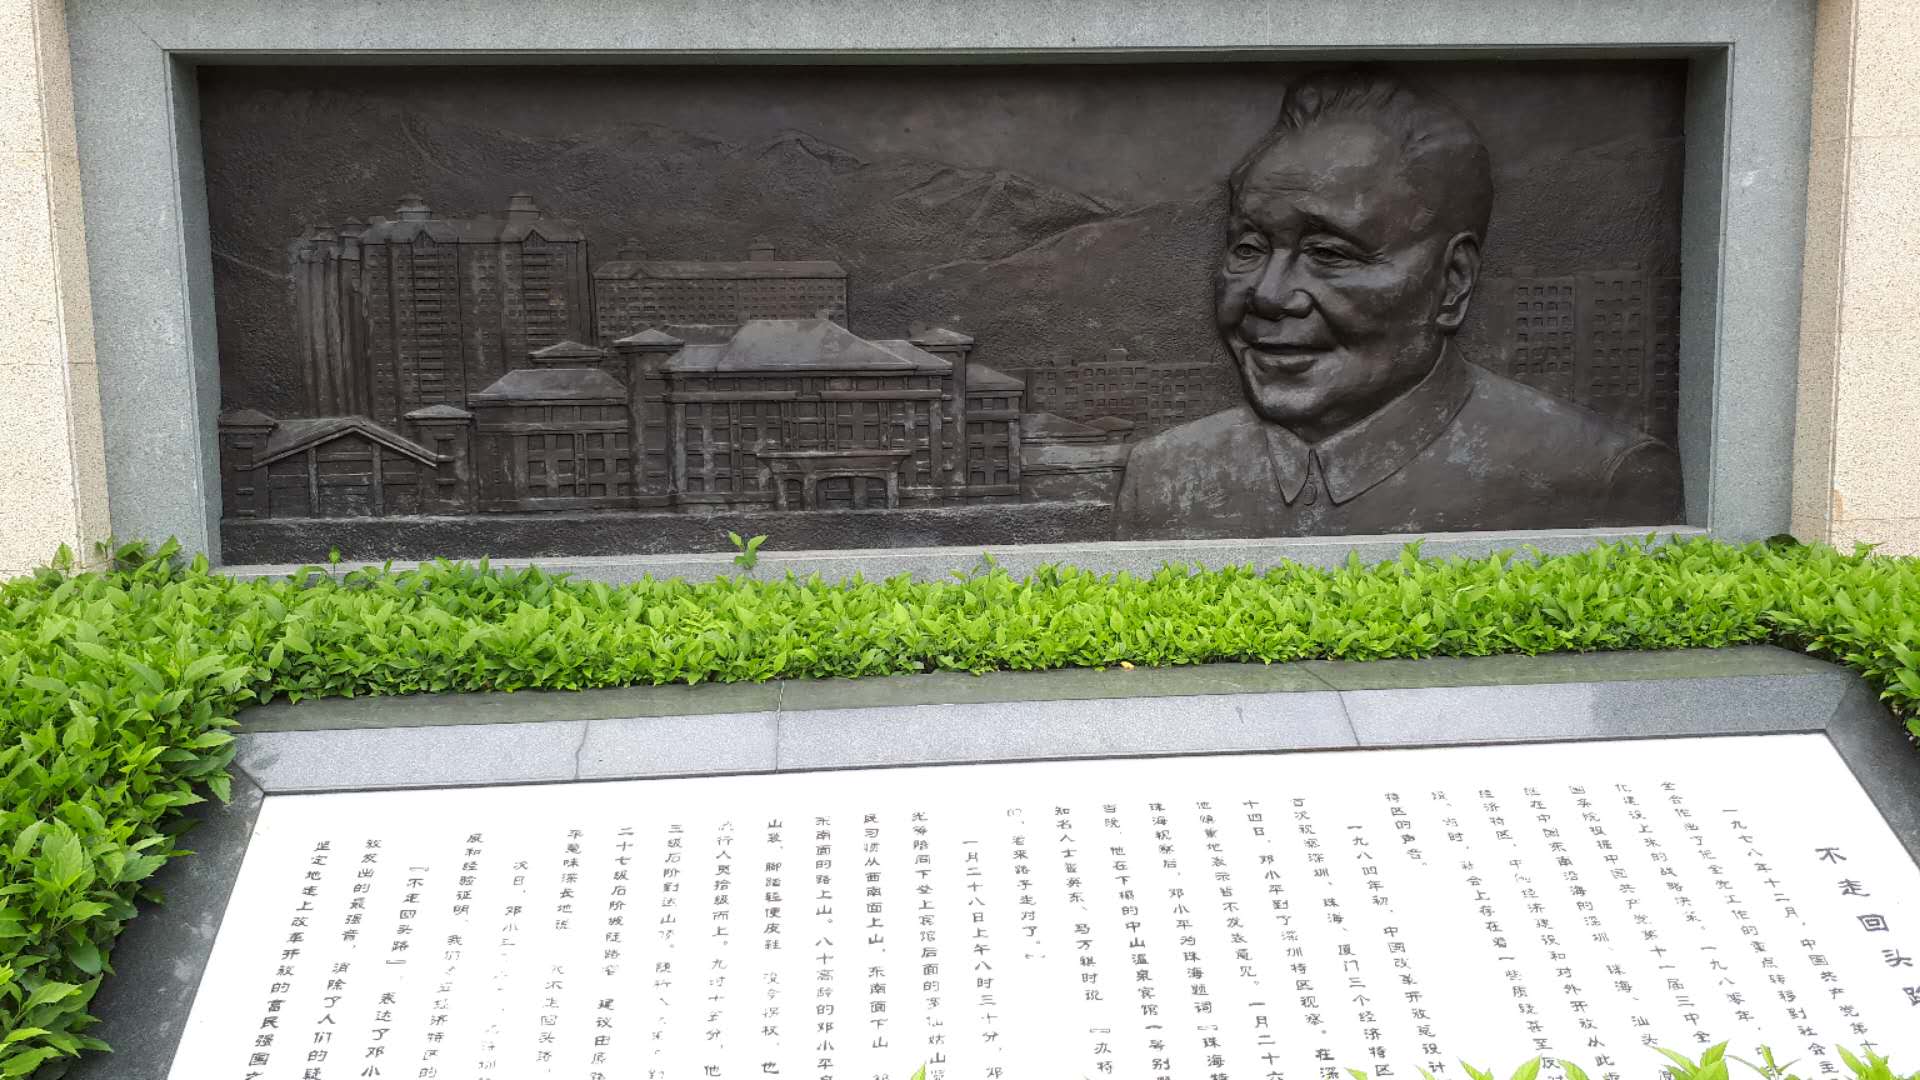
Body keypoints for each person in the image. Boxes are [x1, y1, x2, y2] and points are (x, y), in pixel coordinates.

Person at [1115, 70, 1682, 540]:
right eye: (1248, 247)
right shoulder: (1164, 474)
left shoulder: (1598, 476)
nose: (1268, 294)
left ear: (1452, 282)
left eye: (1329, 252)